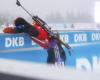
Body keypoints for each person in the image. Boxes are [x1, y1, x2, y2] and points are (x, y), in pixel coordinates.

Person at [3, 17, 71, 65]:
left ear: (19, 25)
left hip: (54, 50)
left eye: (15, 24)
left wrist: (15, 28)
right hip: (57, 48)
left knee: (53, 73)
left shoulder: (28, 29)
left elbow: (7, 30)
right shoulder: (36, 26)